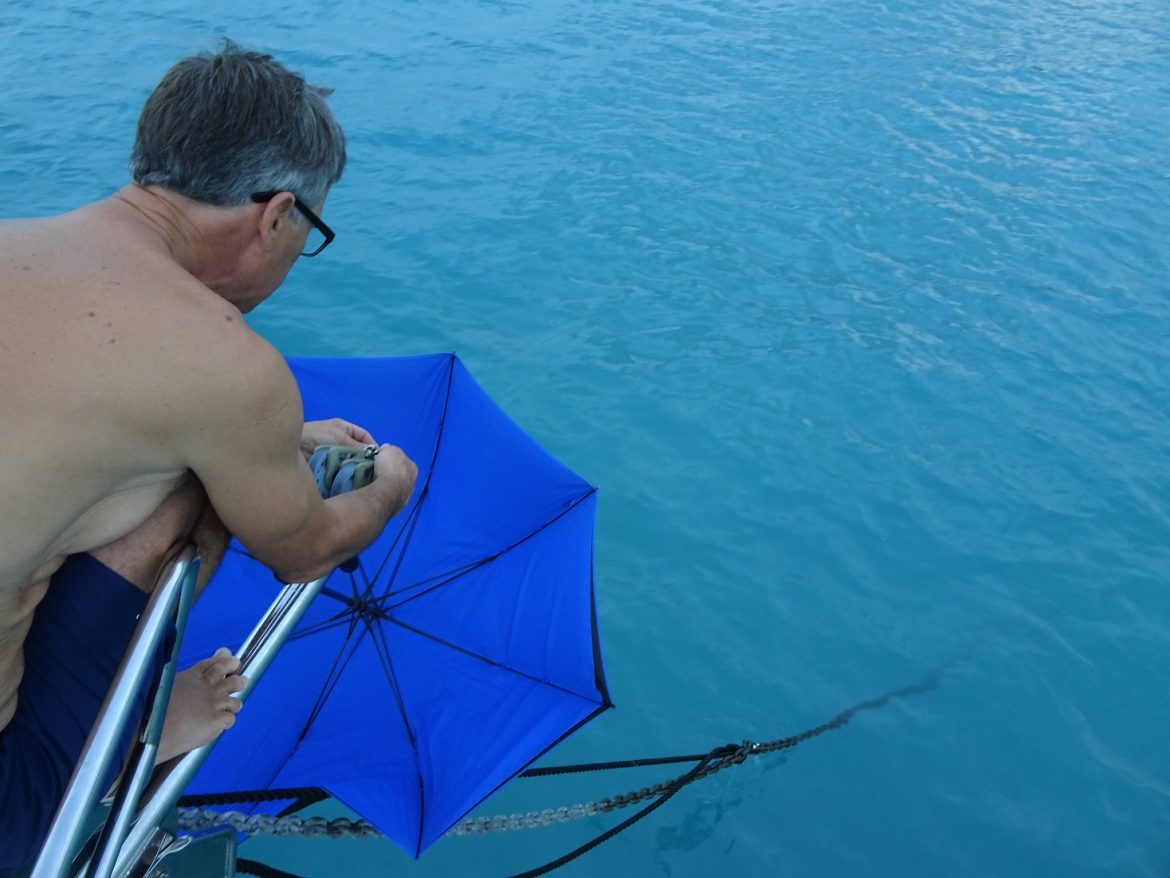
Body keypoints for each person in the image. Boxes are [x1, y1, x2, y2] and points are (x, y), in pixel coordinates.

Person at [0, 41, 418, 871]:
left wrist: (281, 438)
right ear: (277, 216)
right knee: (198, 487)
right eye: (311, 234)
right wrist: (394, 485)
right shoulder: (222, 364)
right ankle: (127, 738)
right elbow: (303, 549)